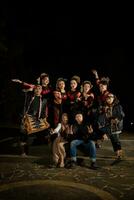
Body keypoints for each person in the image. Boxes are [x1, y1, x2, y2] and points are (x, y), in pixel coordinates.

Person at [97, 93, 125, 164]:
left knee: (116, 141)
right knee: (112, 140)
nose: (109, 99)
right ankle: (100, 141)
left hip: (115, 126)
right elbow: (101, 115)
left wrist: (116, 119)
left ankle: (119, 156)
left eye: (110, 98)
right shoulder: (105, 107)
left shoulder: (117, 106)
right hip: (108, 126)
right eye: (107, 98)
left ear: (113, 98)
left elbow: (122, 115)